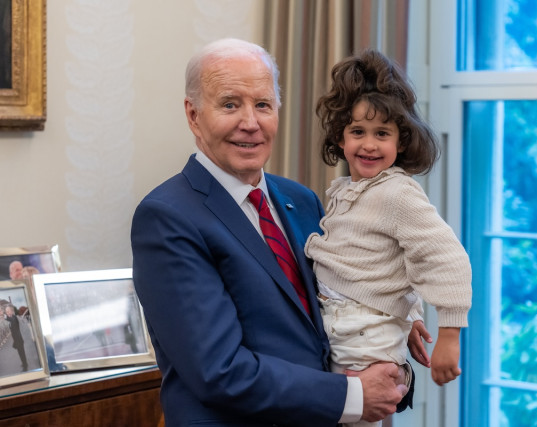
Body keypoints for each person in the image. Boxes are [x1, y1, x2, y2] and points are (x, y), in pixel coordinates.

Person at [131, 38, 424, 427]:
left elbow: (345, 301)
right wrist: (353, 396)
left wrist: (396, 347)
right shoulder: (167, 217)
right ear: (193, 115)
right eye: (230, 104)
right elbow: (219, 371)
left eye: (263, 105)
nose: (250, 123)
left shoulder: (301, 201)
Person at [304, 49, 473, 426]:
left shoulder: (397, 193)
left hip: (364, 338)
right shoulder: (345, 191)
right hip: (342, 328)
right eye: (357, 132)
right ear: (341, 138)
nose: (369, 144)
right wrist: (410, 316)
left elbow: (445, 259)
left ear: (401, 141)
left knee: (354, 416)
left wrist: (449, 336)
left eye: (382, 134)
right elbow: (392, 262)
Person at [5, 305, 28, 372]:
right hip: (16, 340)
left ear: (11, 311)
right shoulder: (10, 318)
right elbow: (8, 321)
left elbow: (12, 322)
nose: (7, 313)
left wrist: (6, 318)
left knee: (22, 353)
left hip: (19, 339)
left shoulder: (14, 318)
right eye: (6, 312)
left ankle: (25, 366)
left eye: (8, 311)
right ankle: (24, 363)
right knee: (20, 353)